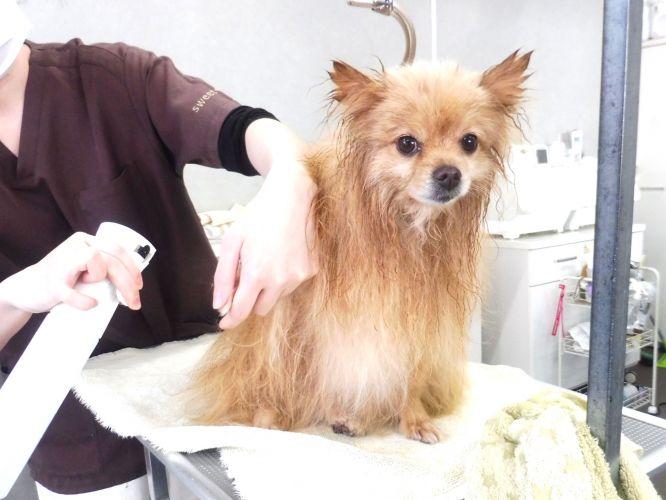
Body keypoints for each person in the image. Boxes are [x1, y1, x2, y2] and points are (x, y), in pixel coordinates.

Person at [0, 0, 317, 497]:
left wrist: (292, 177)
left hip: (205, 401)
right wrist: (18, 293)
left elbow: (245, 130)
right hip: (78, 444)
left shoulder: (112, 79)